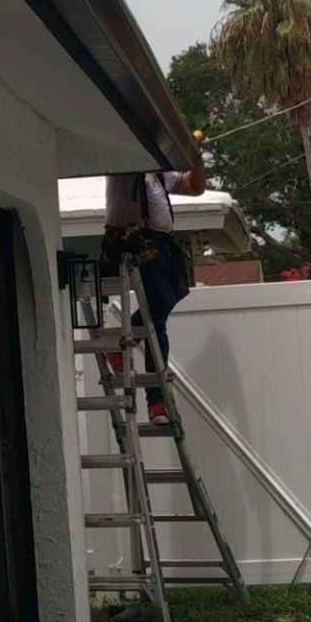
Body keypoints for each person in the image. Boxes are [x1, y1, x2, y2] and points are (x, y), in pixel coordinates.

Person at [100, 157, 207, 423]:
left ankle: (154, 397)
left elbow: (195, 187)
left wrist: (197, 159)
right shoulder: (121, 168)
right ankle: (156, 401)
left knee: (160, 308)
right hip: (132, 243)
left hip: (160, 249)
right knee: (160, 303)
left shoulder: (158, 174)